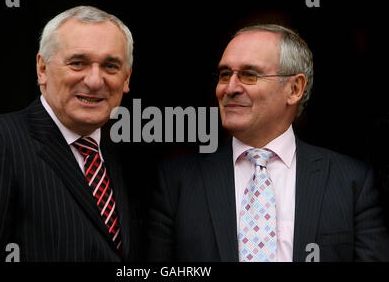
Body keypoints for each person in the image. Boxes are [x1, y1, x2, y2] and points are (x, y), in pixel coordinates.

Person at [147, 24, 389, 262]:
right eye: (224, 75)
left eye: (249, 75)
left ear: (295, 89)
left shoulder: (351, 182)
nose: (229, 88)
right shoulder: (176, 183)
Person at [0, 5, 141, 261]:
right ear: (42, 69)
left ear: (126, 79)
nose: (94, 80)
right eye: (78, 63)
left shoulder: (122, 163)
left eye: (110, 66)